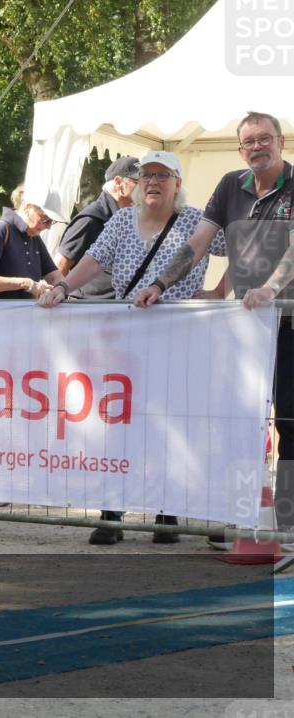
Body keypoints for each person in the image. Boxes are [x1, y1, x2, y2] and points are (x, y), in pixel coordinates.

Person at [40, 151, 227, 544]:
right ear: (137, 184)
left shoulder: (196, 221)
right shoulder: (122, 220)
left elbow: (242, 248)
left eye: (162, 176)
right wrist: (62, 287)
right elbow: (92, 263)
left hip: (180, 338)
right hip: (127, 341)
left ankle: (167, 513)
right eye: (146, 176)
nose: (153, 183)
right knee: (119, 423)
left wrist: (217, 292)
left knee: (173, 424)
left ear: (177, 182)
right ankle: (112, 512)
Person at [135, 112, 293, 531]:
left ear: (280, 142)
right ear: (240, 150)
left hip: (288, 323)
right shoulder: (228, 185)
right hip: (242, 329)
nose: (258, 146)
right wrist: (160, 282)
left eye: (265, 138)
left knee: (290, 425)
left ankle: (288, 530)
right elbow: (198, 242)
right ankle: (231, 522)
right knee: (232, 422)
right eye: (250, 141)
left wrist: (270, 289)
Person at [56, 156, 140, 299]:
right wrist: (58, 300)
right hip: (87, 310)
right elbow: (59, 268)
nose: (145, 186)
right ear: (119, 183)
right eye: (137, 182)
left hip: (114, 309)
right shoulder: (91, 219)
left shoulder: (131, 217)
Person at [0, 188, 65, 299]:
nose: (49, 226)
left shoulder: (35, 238)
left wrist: (60, 289)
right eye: (46, 218)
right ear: (28, 208)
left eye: (52, 221)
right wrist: (25, 283)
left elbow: (55, 277)